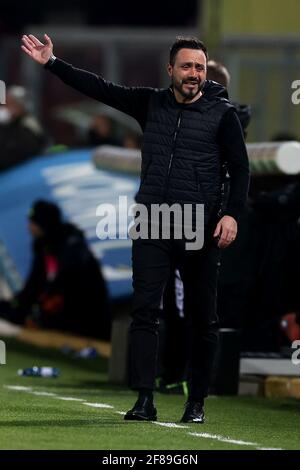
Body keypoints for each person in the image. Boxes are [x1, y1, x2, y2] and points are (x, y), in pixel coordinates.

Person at [21, 34, 249, 423]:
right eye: (186, 66)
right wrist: (53, 64)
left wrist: (232, 215)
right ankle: (145, 398)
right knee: (144, 311)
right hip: (153, 222)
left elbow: (241, 169)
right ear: (170, 70)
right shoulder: (151, 102)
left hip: (200, 226)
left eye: (199, 67)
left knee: (202, 317)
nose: (193, 74)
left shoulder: (223, 115)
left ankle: (197, 402)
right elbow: (101, 88)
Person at [0, 200, 110, 339]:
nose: (29, 226)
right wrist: (18, 306)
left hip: (84, 317)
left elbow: (69, 286)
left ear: (42, 224)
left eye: (32, 222)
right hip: (59, 308)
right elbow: (34, 284)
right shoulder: (43, 245)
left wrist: (42, 305)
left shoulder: (71, 247)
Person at [0, 86, 45, 171]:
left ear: (20, 106)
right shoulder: (6, 124)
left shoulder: (28, 126)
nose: (4, 108)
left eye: (9, 104)